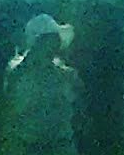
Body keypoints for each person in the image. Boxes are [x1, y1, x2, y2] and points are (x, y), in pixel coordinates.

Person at [4, 13, 78, 153]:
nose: (56, 44)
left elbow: (71, 106)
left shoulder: (64, 74)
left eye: (56, 39)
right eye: (51, 39)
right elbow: (14, 109)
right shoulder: (18, 73)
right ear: (40, 42)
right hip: (28, 145)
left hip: (58, 145)